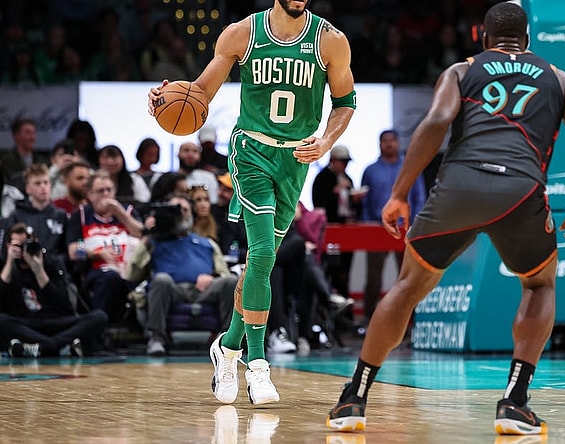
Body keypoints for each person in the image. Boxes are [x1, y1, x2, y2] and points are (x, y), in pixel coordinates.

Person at [327, 2, 565, 435]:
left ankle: (354, 399)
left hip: (459, 187)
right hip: (520, 192)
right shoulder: (559, 78)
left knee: (407, 288)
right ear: (528, 40)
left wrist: (400, 193)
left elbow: (438, 119)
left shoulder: (462, 70)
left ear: (482, 37)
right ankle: (514, 402)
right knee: (538, 284)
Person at [147, 0, 355, 406]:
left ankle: (226, 347)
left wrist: (326, 141)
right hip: (251, 153)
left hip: (295, 160)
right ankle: (256, 366)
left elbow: (346, 102)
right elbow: (200, 92)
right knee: (261, 256)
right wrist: (163, 99)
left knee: (263, 262)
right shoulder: (242, 33)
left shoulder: (330, 40)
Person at [125, 193, 237, 356]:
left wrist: (212, 277)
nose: (181, 213)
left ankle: (227, 340)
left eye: (184, 209)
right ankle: (156, 337)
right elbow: (132, 274)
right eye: (175, 210)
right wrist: (147, 235)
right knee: (161, 279)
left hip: (202, 291)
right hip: (172, 290)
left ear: (192, 213)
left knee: (230, 281)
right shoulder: (154, 242)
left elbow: (223, 273)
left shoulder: (207, 243)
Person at [1, 222, 108, 357]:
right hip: (28, 324)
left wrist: (39, 270)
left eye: (27, 244)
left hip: (59, 322)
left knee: (99, 317)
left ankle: (40, 347)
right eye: (19, 245)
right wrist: (10, 262)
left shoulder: (52, 262)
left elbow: (62, 302)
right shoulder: (7, 268)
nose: (24, 250)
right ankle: (59, 347)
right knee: (2, 321)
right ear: (9, 246)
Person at [359, 129, 426, 321]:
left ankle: (410, 322)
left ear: (397, 143)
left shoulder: (410, 168)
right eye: (385, 141)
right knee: (373, 278)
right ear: (379, 144)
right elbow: (365, 201)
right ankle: (368, 320)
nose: (389, 144)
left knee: (407, 277)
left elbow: (419, 197)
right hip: (377, 230)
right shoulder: (370, 170)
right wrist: (367, 227)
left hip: (406, 229)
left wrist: (417, 224)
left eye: (392, 140)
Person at [66, 170, 143, 323]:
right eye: (101, 191)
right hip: (98, 271)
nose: (106, 194)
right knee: (111, 278)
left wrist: (119, 212)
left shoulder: (126, 211)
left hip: (130, 270)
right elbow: (73, 252)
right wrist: (97, 254)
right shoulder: (81, 215)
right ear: (90, 194)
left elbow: (142, 234)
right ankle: (97, 327)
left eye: (109, 190)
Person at [311, 144, 362, 299]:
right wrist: (335, 192)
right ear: (333, 160)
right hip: (330, 230)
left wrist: (355, 200)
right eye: (342, 162)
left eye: (346, 163)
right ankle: (329, 303)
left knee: (346, 269)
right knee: (333, 268)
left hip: (346, 229)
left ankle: (344, 305)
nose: (344, 166)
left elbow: (353, 207)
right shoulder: (322, 178)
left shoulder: (348, 179)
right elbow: (319, 205)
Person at [1, 164, 68, 260]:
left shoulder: (61, 216)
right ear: (28, 189)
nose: (43, 187)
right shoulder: (17, 215)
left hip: (55, 271)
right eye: (37, 183)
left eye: (46, 182)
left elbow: (67, 252)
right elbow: (6, 249)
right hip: (24, 268)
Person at [1, 118, 49, 190]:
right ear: (16, 136)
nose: (32, 137)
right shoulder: (6, 161)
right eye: (28, 132)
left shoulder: (42, 160)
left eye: (33, 133)